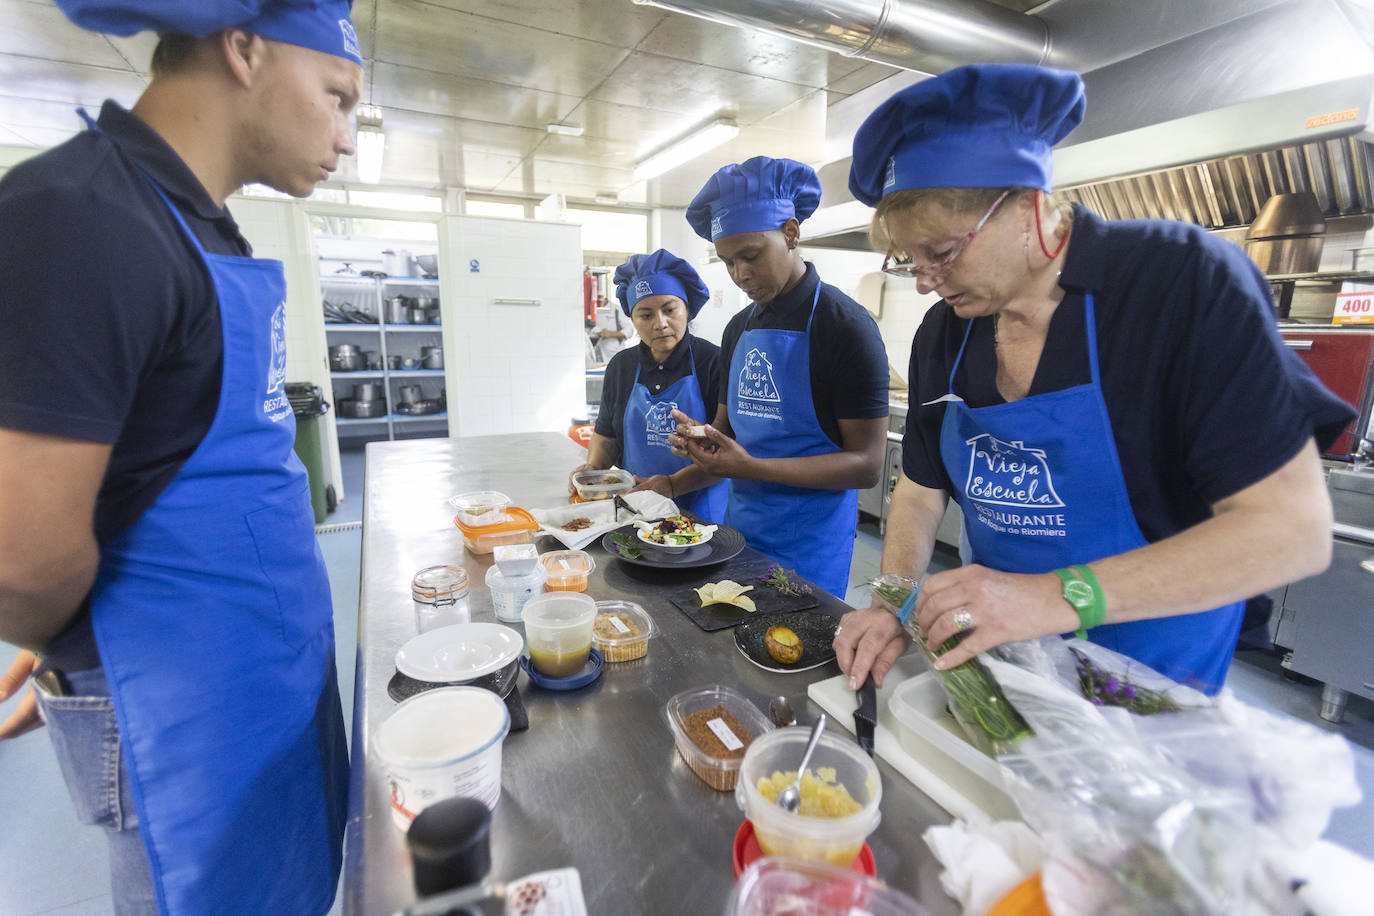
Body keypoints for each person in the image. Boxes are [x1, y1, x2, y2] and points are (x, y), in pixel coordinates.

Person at [0, 2, 362, 912]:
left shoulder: (204, 228)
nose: (346, 137)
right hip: (177, 709)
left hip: (257, 684)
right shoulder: (80, 216)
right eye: (337, 97)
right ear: (244, 51)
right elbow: (20, 557)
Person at [832, 64, 1353, 695]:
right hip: (1000, 660)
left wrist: (1049, 598)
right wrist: (893, 601)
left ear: (1026, 206)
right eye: (907, 259)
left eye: (941, 252)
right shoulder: (946, 330)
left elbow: (1288, 533)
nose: (923, 280)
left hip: (1153, 675)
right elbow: (919, 489)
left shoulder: (1179, 282)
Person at [671, 156, 890, 597]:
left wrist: (751, 467)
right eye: (728, 262)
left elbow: (867, 466)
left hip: (811, 544)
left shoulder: (844, 326)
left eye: (750, 256)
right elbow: (728, 428)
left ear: (791, 233)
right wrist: (704, 440)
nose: (740, 275)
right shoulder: (738, 328)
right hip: (742, 534)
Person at [570, 250, 729, 521]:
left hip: (701, 516)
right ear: (632, 320)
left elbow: (726, 447)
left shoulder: (714, 362)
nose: (660, 324)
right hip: (636, 509)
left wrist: (673, 485)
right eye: (645, 315)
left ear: (686, 309)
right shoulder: (621, 366)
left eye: (669, 310)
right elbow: (606, 434)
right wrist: (593, 469)